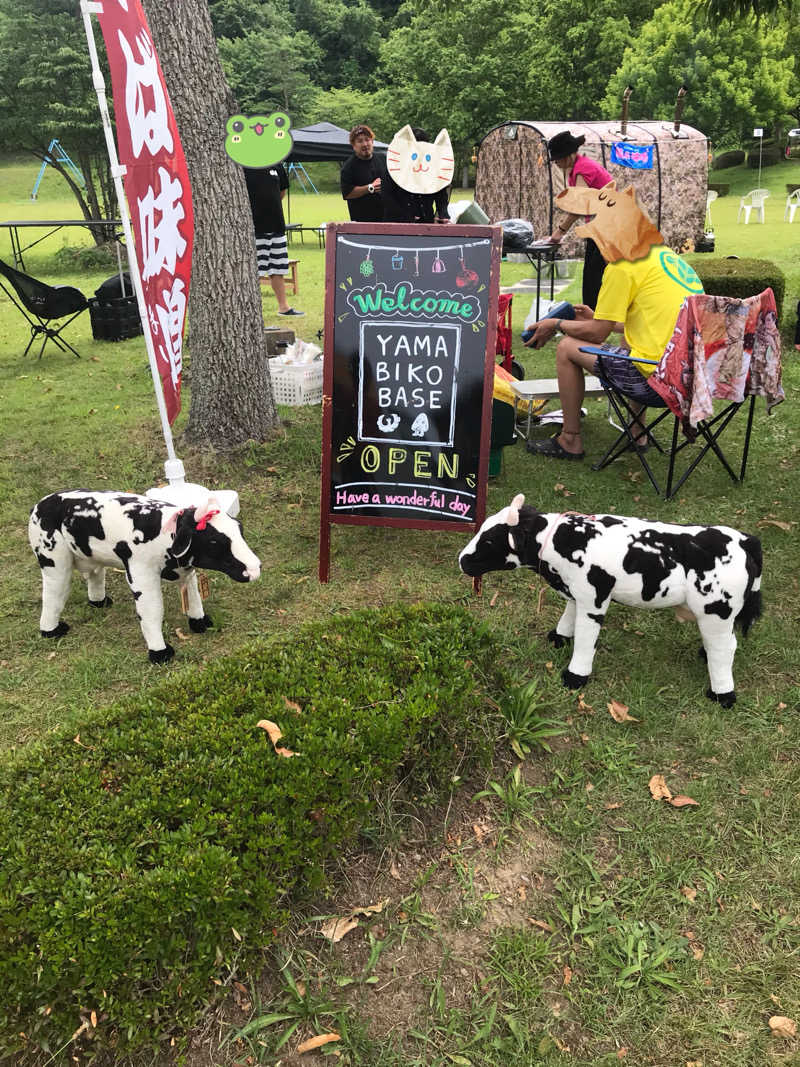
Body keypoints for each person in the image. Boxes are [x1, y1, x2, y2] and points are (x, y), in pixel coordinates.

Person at [526, 184, 704, 461]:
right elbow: (654, 320)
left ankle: (570, 440)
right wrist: (600, 319)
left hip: (656, 382)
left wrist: (557, 325)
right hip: (692, 378)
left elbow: (596, 335)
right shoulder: (667, 258)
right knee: (631, 342)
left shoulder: (622, 266)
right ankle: (638, 431)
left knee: (567, 348)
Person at [545, 130, 613, 309]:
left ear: (568, 155)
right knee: (592, 276)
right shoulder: (577, 169)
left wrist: (559, 232)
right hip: (598, 228)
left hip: (607, 229)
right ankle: (592, 316)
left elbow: (580, 205)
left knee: (594, 277)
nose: (556, 163)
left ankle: (594, 320)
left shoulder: (583, 169)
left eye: (557, 159)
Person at [244, 161, 304, 316]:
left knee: (278, 267)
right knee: (253, 270)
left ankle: (284, 307)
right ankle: (251, 311)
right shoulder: (244, 164)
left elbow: (282, 191)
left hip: (276, 225)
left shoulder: (277, 164)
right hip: (254, 227)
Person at [381, 127, 451, 224]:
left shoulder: (431, 167)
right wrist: (406, 216)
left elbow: (441, 193)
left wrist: (443, 213)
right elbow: (387, 196)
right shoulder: (394, 167)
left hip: (426, 223)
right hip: (397, 225)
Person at [340, 124, 384, 222]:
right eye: (360, 141)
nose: (365, 144)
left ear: (372, 142)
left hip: (386, 219)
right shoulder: (348, 167)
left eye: (367, 140)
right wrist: (370, 188)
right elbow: (347, 193)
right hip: (362, 222)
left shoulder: (383, 159)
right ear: (354, 146)